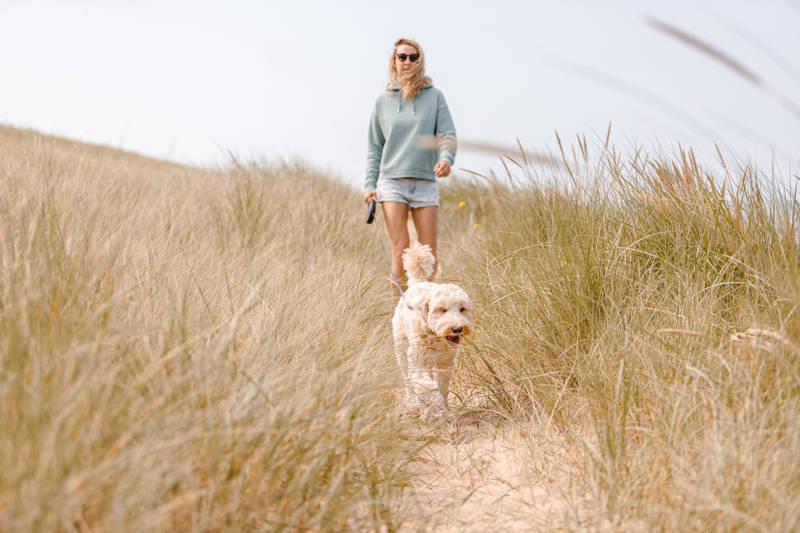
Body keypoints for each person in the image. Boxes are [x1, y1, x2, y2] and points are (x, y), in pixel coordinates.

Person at [363, 37, 457, 295]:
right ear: (393, 62)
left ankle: (425, 316)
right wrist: (370, 185)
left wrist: (445, 160)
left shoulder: (435, 97)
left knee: (428, 257)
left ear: (420, 62)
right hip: (392, 183)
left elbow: (447, 135)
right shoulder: (382, 102)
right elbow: (374, 146)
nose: (407, 61)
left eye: (413, 57)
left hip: (425, 182)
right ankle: (401, 316)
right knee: (401, 251)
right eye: (401, 57)